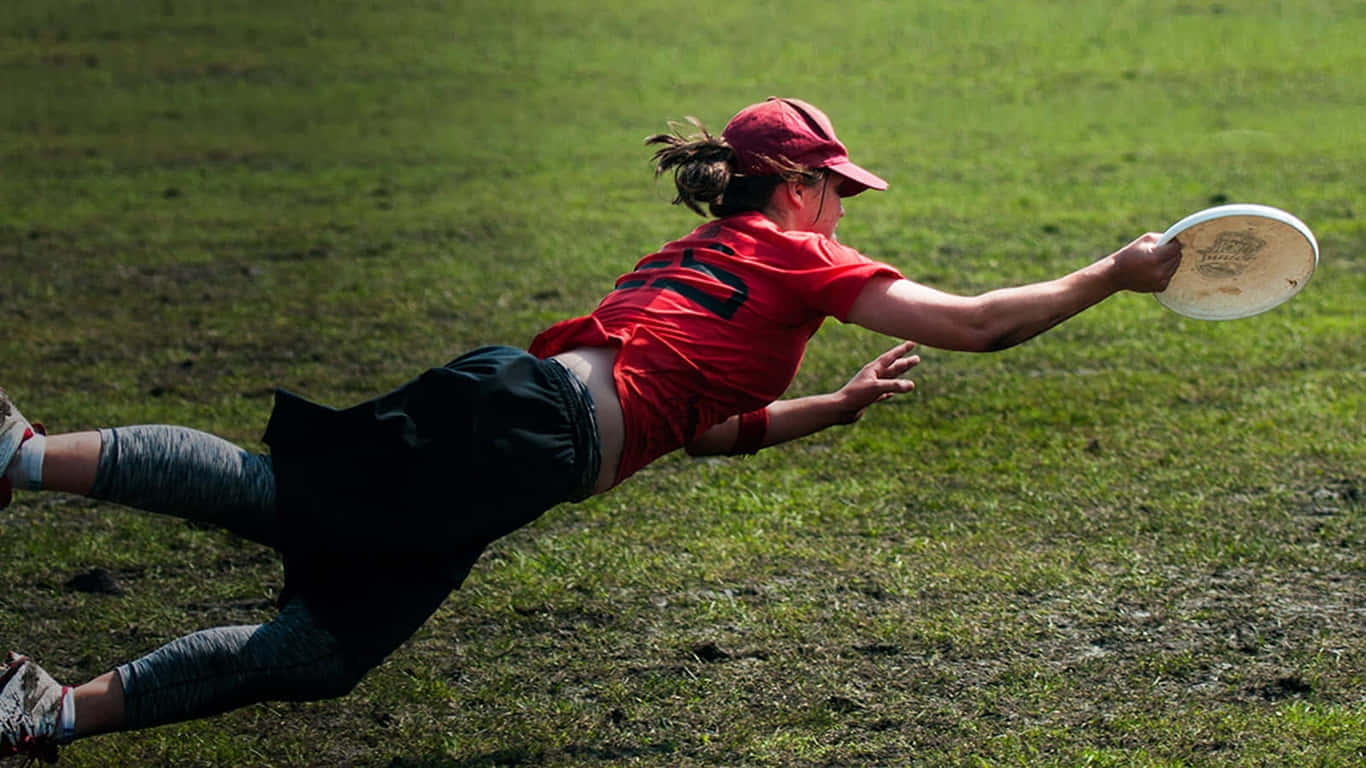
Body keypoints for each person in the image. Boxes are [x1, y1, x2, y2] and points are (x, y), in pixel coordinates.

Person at [0, 96, 1181, 762]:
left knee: (318, 651)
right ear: (797, 186)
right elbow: (975, 324)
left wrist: (839, 405)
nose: (844, 206)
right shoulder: (794, 251)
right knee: (269, 496)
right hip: (525, 432)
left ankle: (45, 711)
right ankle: (17, 462)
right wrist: (1111, 276)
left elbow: (699, 433)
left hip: (521, 427)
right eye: (838, 187)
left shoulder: (698, 258)